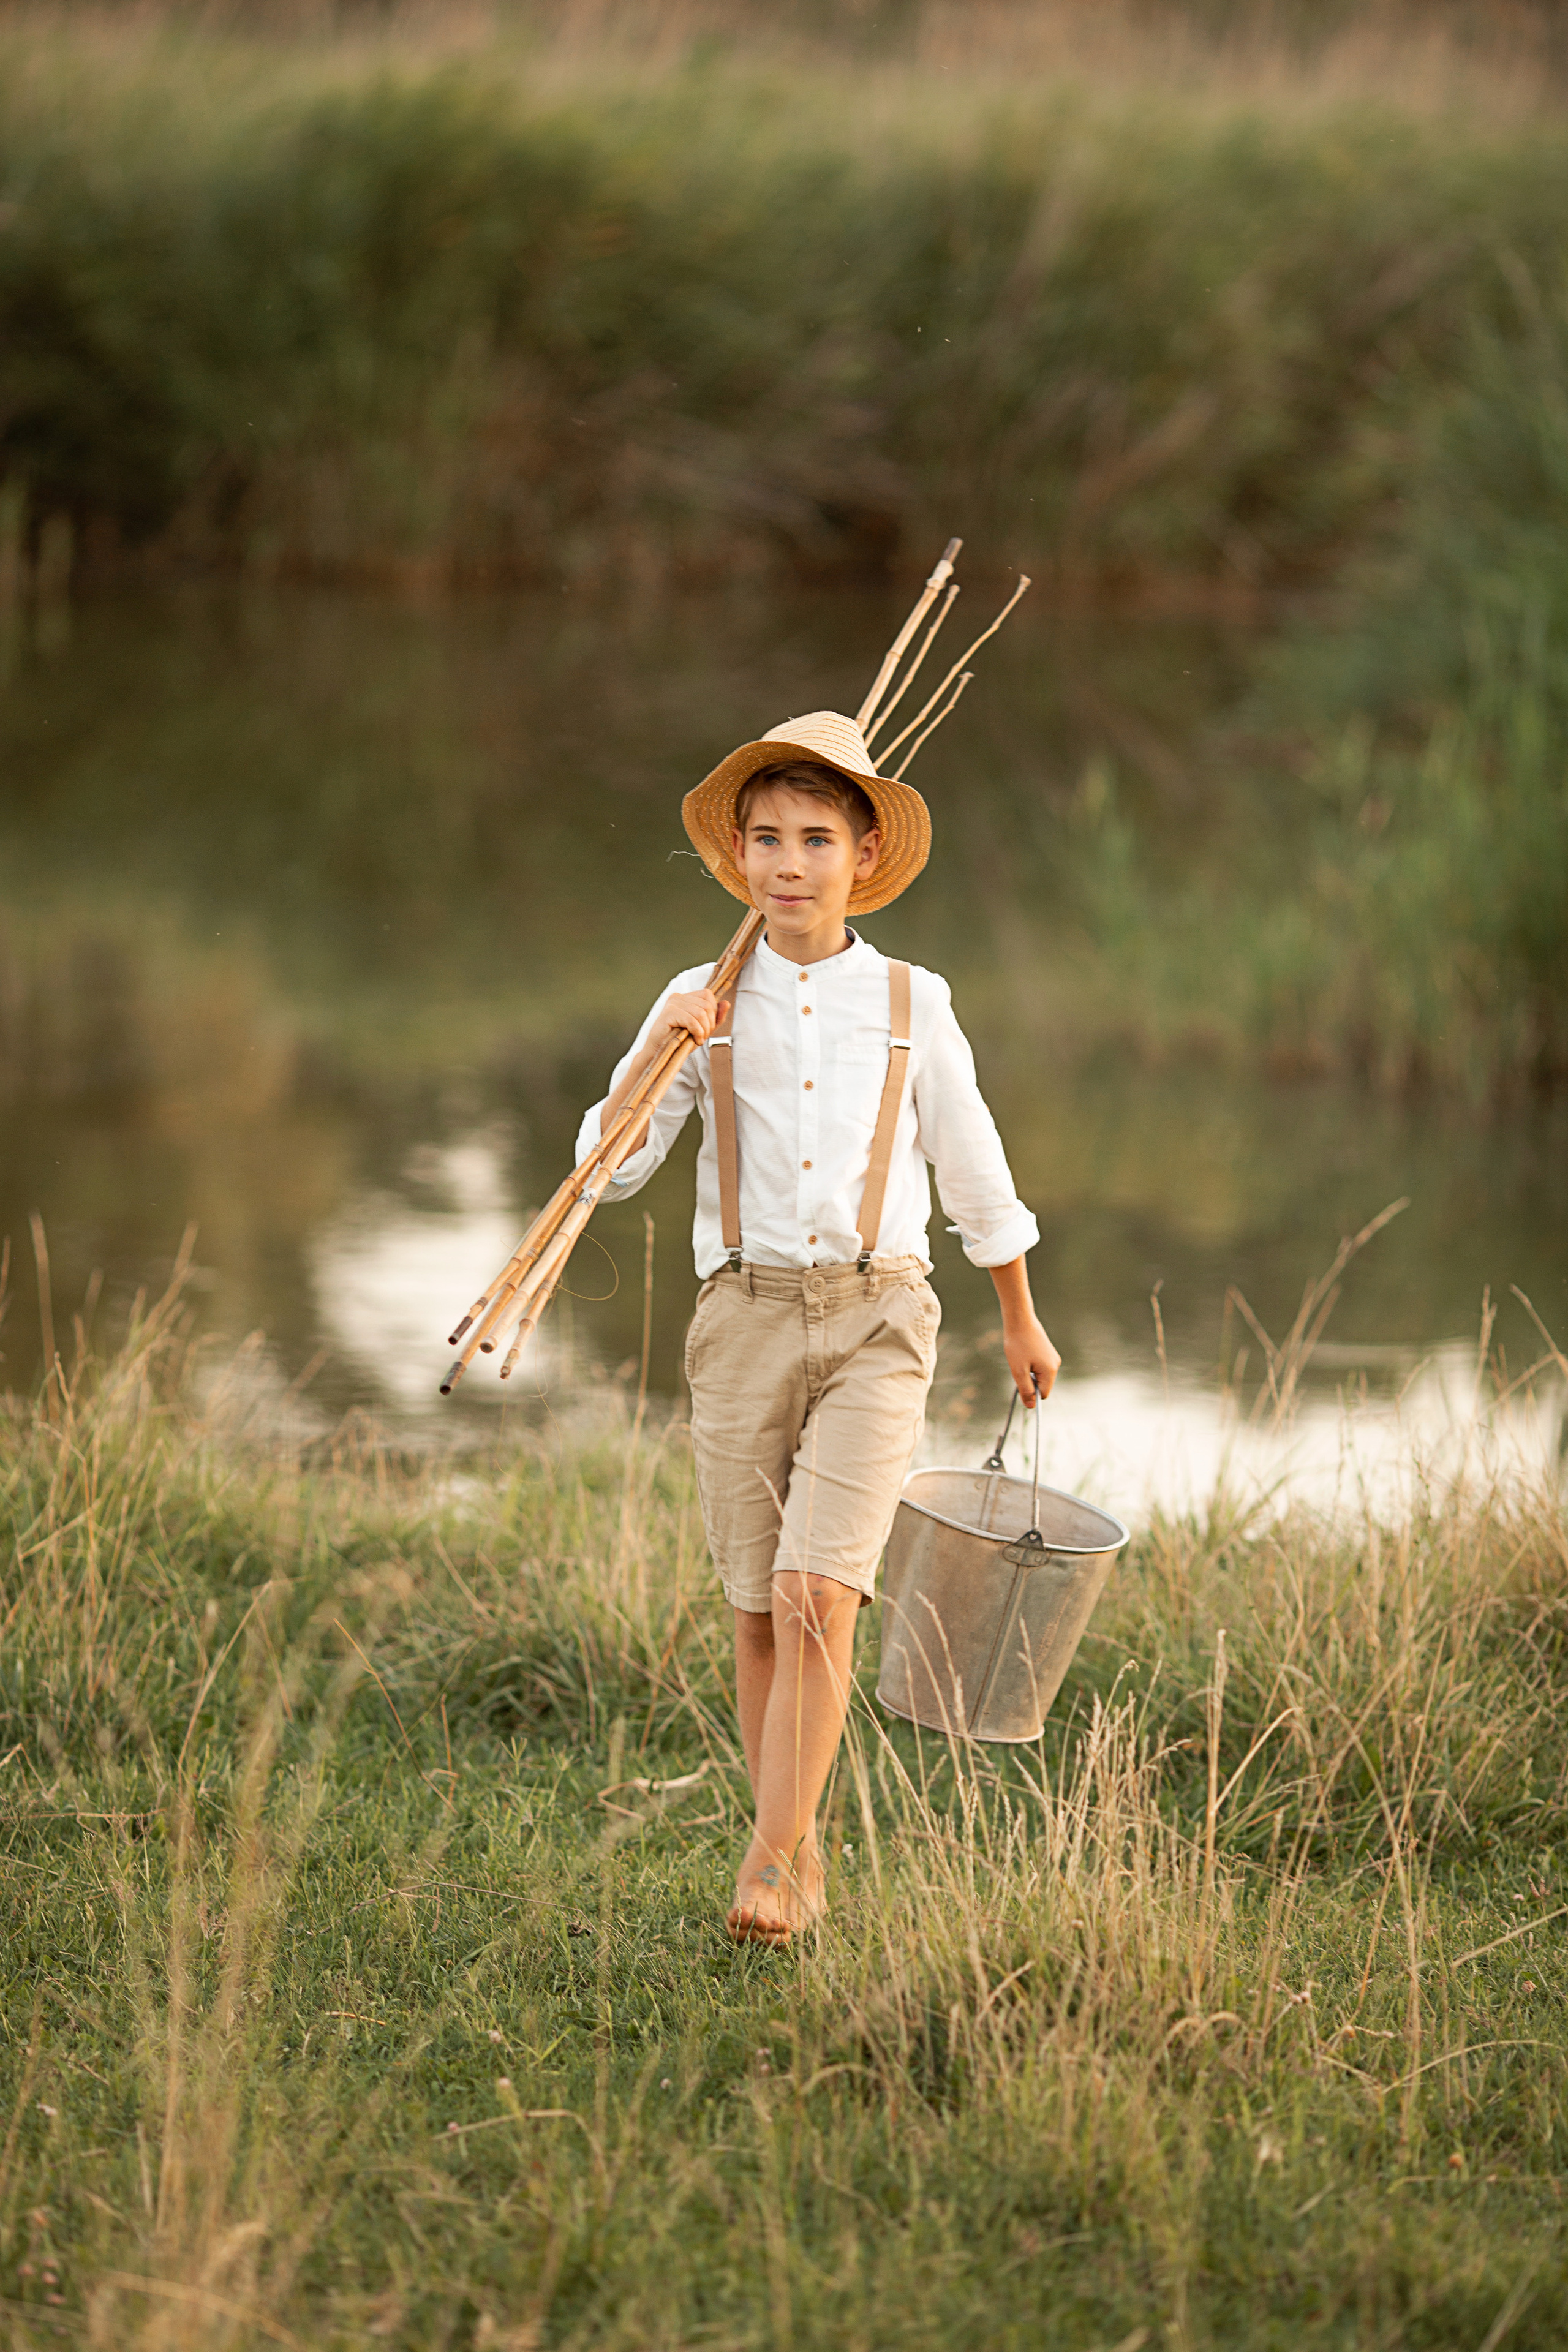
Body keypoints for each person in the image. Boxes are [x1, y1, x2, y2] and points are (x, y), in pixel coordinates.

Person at [576, 710, 1060, 1942]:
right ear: (737, 857)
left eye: (811, 839)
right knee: (754, 1608)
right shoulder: (700, 997)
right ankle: (797, 1855)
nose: (785, 864)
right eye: (762, 840)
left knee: (815, 1593)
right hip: (737, 1318)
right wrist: (653, 1066)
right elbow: (608, 1174)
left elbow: (972, 1165)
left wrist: (1017, 1314)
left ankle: (770, 1859)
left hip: (876, 1315)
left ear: (861, 855)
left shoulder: (911, 999)